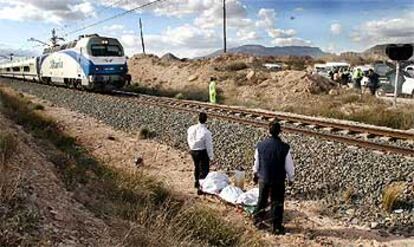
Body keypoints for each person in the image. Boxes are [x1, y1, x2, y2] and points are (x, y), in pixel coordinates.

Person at [252, 121, 295, 235]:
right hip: (278, 180)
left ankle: (257, 221)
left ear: (268, 131)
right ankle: (276, 227)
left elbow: (257, 162)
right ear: (279, 132)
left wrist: (255, 174)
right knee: (277, 202)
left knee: (262, 200)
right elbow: (289, 166)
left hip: (264, 178)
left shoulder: (260, 145)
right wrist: (291, 179)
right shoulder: (285, 148)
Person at [187, 112, 214, 195]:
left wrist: (191, 147)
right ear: (206, 120)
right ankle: (201, 188)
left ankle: (196, 182)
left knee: (197, 167)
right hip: (202, 151)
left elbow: (188, 139)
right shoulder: (206, 132)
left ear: (198, 119)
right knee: (204, 169)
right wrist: (211, 156)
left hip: (193, 151)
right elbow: (209, 146)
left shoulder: (191, 128)